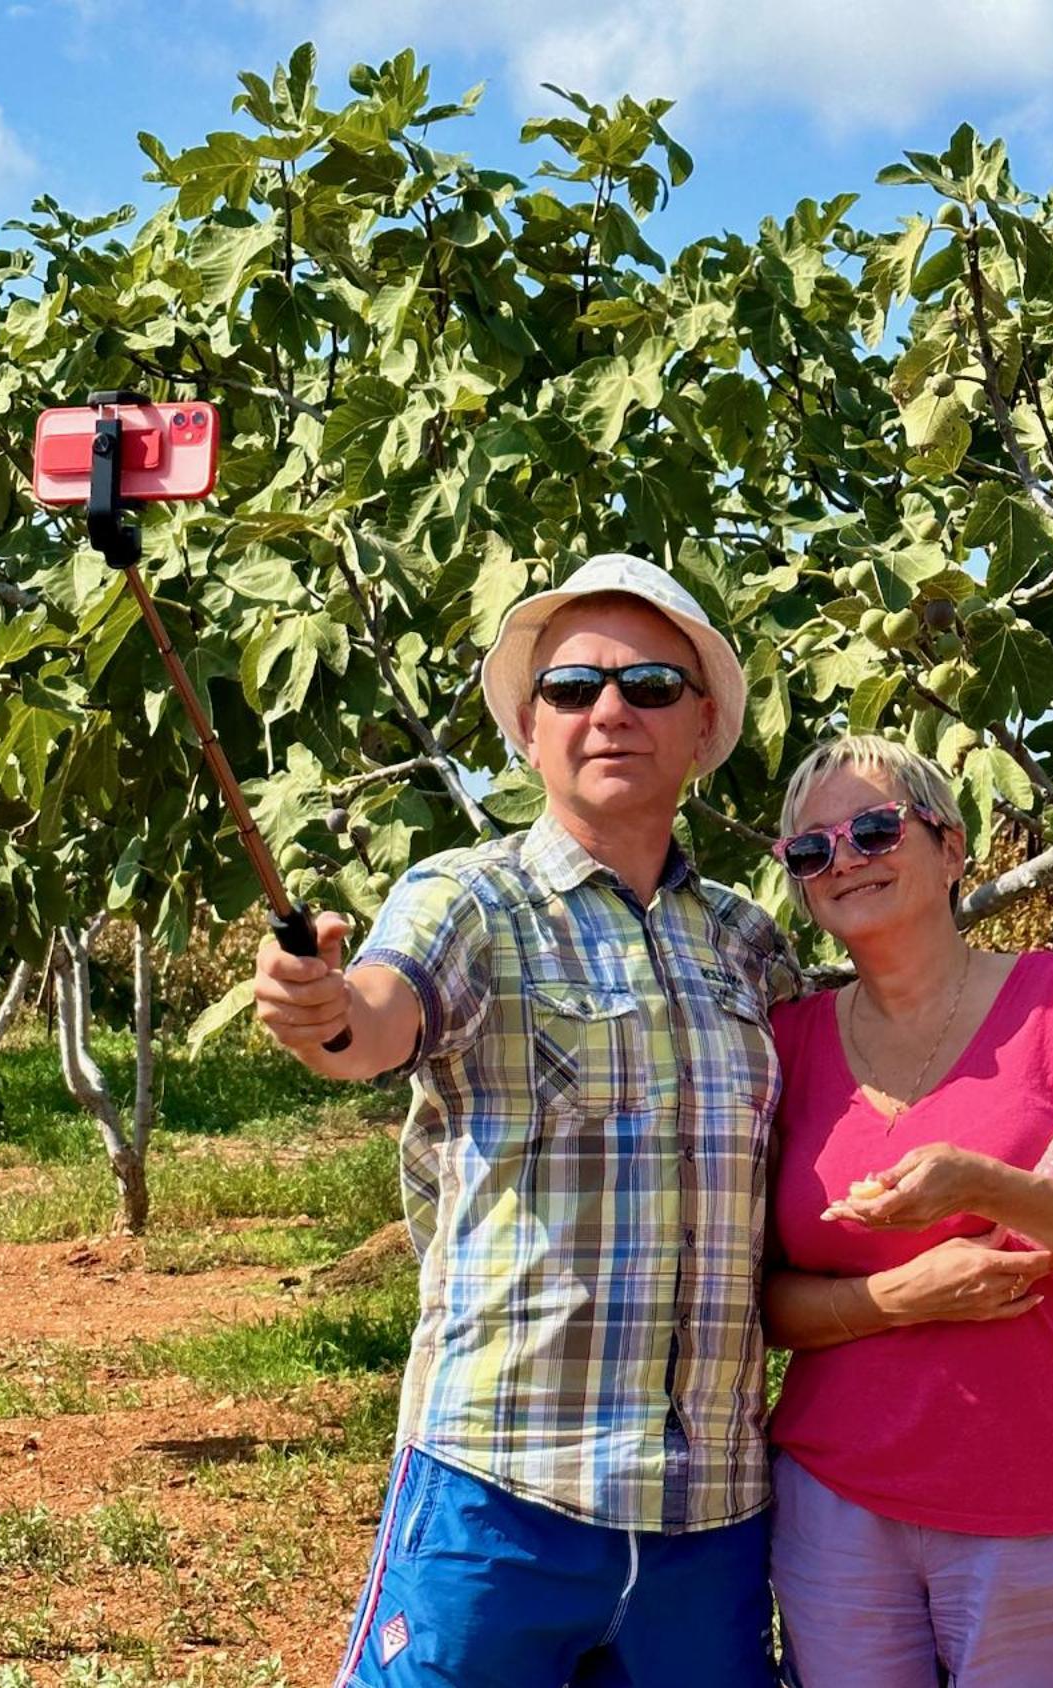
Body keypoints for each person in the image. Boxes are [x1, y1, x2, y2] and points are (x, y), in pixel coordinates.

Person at [253, 555, 797, 1688]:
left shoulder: (749, 942)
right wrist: (320, 1007)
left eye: (649, 685)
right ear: (523, 723)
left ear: (701, 725)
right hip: (501, 1481)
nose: (608, 710)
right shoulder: (468, 900)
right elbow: (372, 1018)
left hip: (714, 1503)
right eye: (570, 688)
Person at [760, 732, 1053, 1688]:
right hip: (834, 1499)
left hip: (1037, 1491)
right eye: (812, 849)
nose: (845, 859)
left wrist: (987, 1186)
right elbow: (758, 1304)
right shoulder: (786, 1041)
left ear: (952, 846)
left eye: (875, 830)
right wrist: (903, 1297)